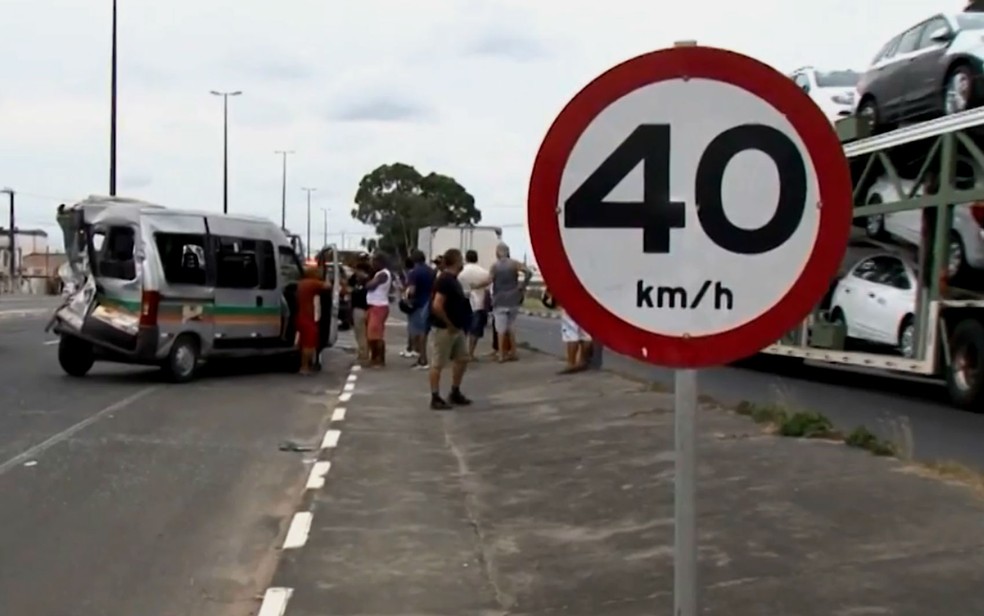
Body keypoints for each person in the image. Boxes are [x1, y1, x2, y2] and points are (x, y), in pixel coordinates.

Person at [428, 248, 473, 410]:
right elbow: (437, 306)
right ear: (456, 261)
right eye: (461, 259)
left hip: (457, 328)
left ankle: (455, 391)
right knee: (438, 363)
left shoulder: (453, 279)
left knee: (462, 359)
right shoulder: (445, 280)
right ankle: (435, 396)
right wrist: (449, 324)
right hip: (445, 329)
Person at [488, 241, 531, 362]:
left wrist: (476, 285)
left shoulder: (495, 266)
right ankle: (513, 352)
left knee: (500, 329)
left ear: (497, 252)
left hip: (499, 300)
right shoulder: (514, 264)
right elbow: (529, 272)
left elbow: (489, 280)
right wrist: (522, 285)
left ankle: (501, 354)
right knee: (511, 327)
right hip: (513, 299)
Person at [296, 266, 333, 375]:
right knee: (309, 344)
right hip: (309, 318)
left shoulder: (301, 283)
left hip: (300, 316)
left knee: (303, 344)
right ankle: (305, 367)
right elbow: (328, 286)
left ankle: (303, 365)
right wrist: (327, 278)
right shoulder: (312, 283)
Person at [456, 249, 491, 360]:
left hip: (463, 303)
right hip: (479, 304)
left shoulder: (460, 273)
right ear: (477, 258)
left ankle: (459, 352)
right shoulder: (484, 272)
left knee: (462, 329)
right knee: (475, 331)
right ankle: (471, 353)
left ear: (466, 258)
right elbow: (488, 288)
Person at [404, 249, 435, 369]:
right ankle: (422, 358)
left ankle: (422, 359)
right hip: (429, 303)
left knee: (418, 332)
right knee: (425, 332)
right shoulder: (431, 271)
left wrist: (406, 299)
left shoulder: (414, 272)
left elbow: (412, 290)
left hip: (418, 305)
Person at [364, 253, 393, 367]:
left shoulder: (383, 274)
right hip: (374, 306)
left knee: (375, 335)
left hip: (379, 306)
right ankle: (374, 358)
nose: (372, 264)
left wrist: (367, 282)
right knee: (372, 335)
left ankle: (379, 359)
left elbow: (370, 286)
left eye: (374, 261)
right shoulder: (378, 273)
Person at [348, 255, 372, 363]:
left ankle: (364, 355)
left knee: (361, 333)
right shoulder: (357, 279)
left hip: (361, 308)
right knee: (362, 333)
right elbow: (349, 285)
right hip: (362, 309)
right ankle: (365, 353)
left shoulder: (369, 281)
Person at [399, 256, 416, 358]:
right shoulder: (412, 273)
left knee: (411, 326)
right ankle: (412, 347)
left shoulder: (411, 274)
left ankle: (410, 347)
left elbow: (409, 288)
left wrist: (404, 294)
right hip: (414, 301)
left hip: (410, 302)